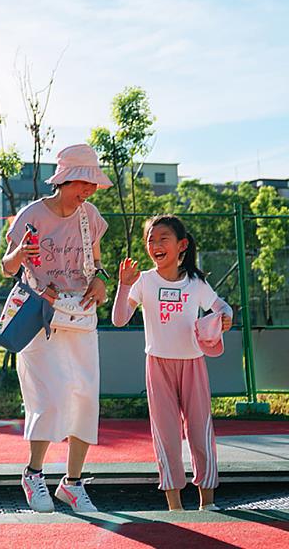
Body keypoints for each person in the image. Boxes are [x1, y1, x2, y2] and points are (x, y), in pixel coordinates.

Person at [1, 143, 112, 513]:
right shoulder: (32, 214)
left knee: (84, 396)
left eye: (92, 185)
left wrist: (101, 280)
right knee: (46, 396)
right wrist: (19, 256)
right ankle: (34, 474)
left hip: (80, 315)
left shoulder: (90, 217)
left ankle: (73, 482)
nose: (88, 191)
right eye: (83, 182)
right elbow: (7, 265)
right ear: (64, 180)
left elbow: (96, 263)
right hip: (39, 317)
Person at [112, 215, 232, 511]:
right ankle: (175, 507)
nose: (155, 245)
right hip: (158, 365)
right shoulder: (143, 282)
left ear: (182, 245)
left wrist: (226, 317)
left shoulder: (196, 282)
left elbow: (221, 306)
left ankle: (208, 503)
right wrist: (123, 286)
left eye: (162, 238)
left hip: (193, 364)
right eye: (150, 240)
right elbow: (118, 319)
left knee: (200, 433)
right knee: (166, 436)